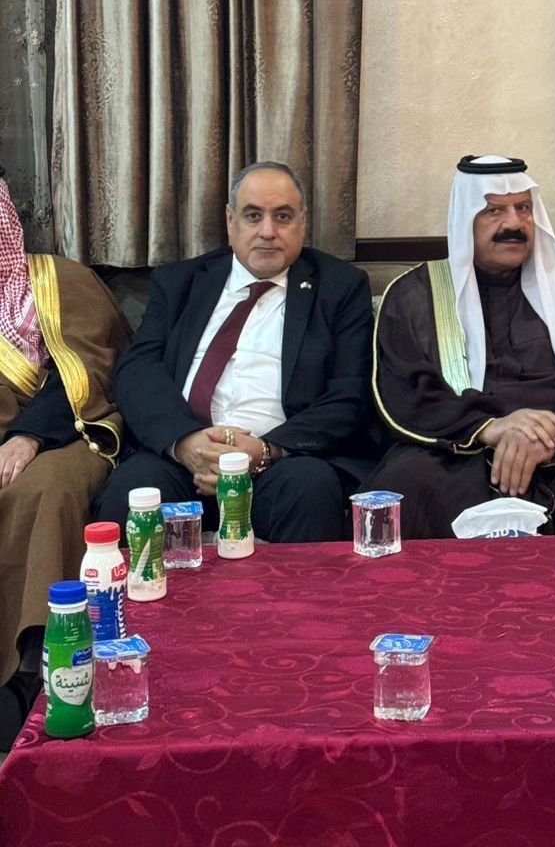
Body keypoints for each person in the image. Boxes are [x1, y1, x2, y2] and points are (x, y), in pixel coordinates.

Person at [96, 162, 373, 542]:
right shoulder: (179, 282)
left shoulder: (339, 288)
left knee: (311, 486)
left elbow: (350, 393)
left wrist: (264, 450)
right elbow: (137, 372)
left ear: (303, 222)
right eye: (253, 216)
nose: (268, 231)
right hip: (181, 460)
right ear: (231, 221)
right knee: (135, 487)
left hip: (281, 462)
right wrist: (185, 442)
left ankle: (303, 588)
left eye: (283, 217)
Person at [367, 154, 555, 535]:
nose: (513, 224)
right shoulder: (416, 293)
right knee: (404, 483)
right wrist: (489, 427)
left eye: (523, 208)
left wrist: (550, 434)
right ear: (466, 220)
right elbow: (406, 391)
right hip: (459, 449)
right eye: (494, 211)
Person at [0, 171, 130, 749]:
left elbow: (94, 367)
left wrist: (28, 435)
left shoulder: (59, 280)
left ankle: (35, 670)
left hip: (70, 431)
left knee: (45, 489)